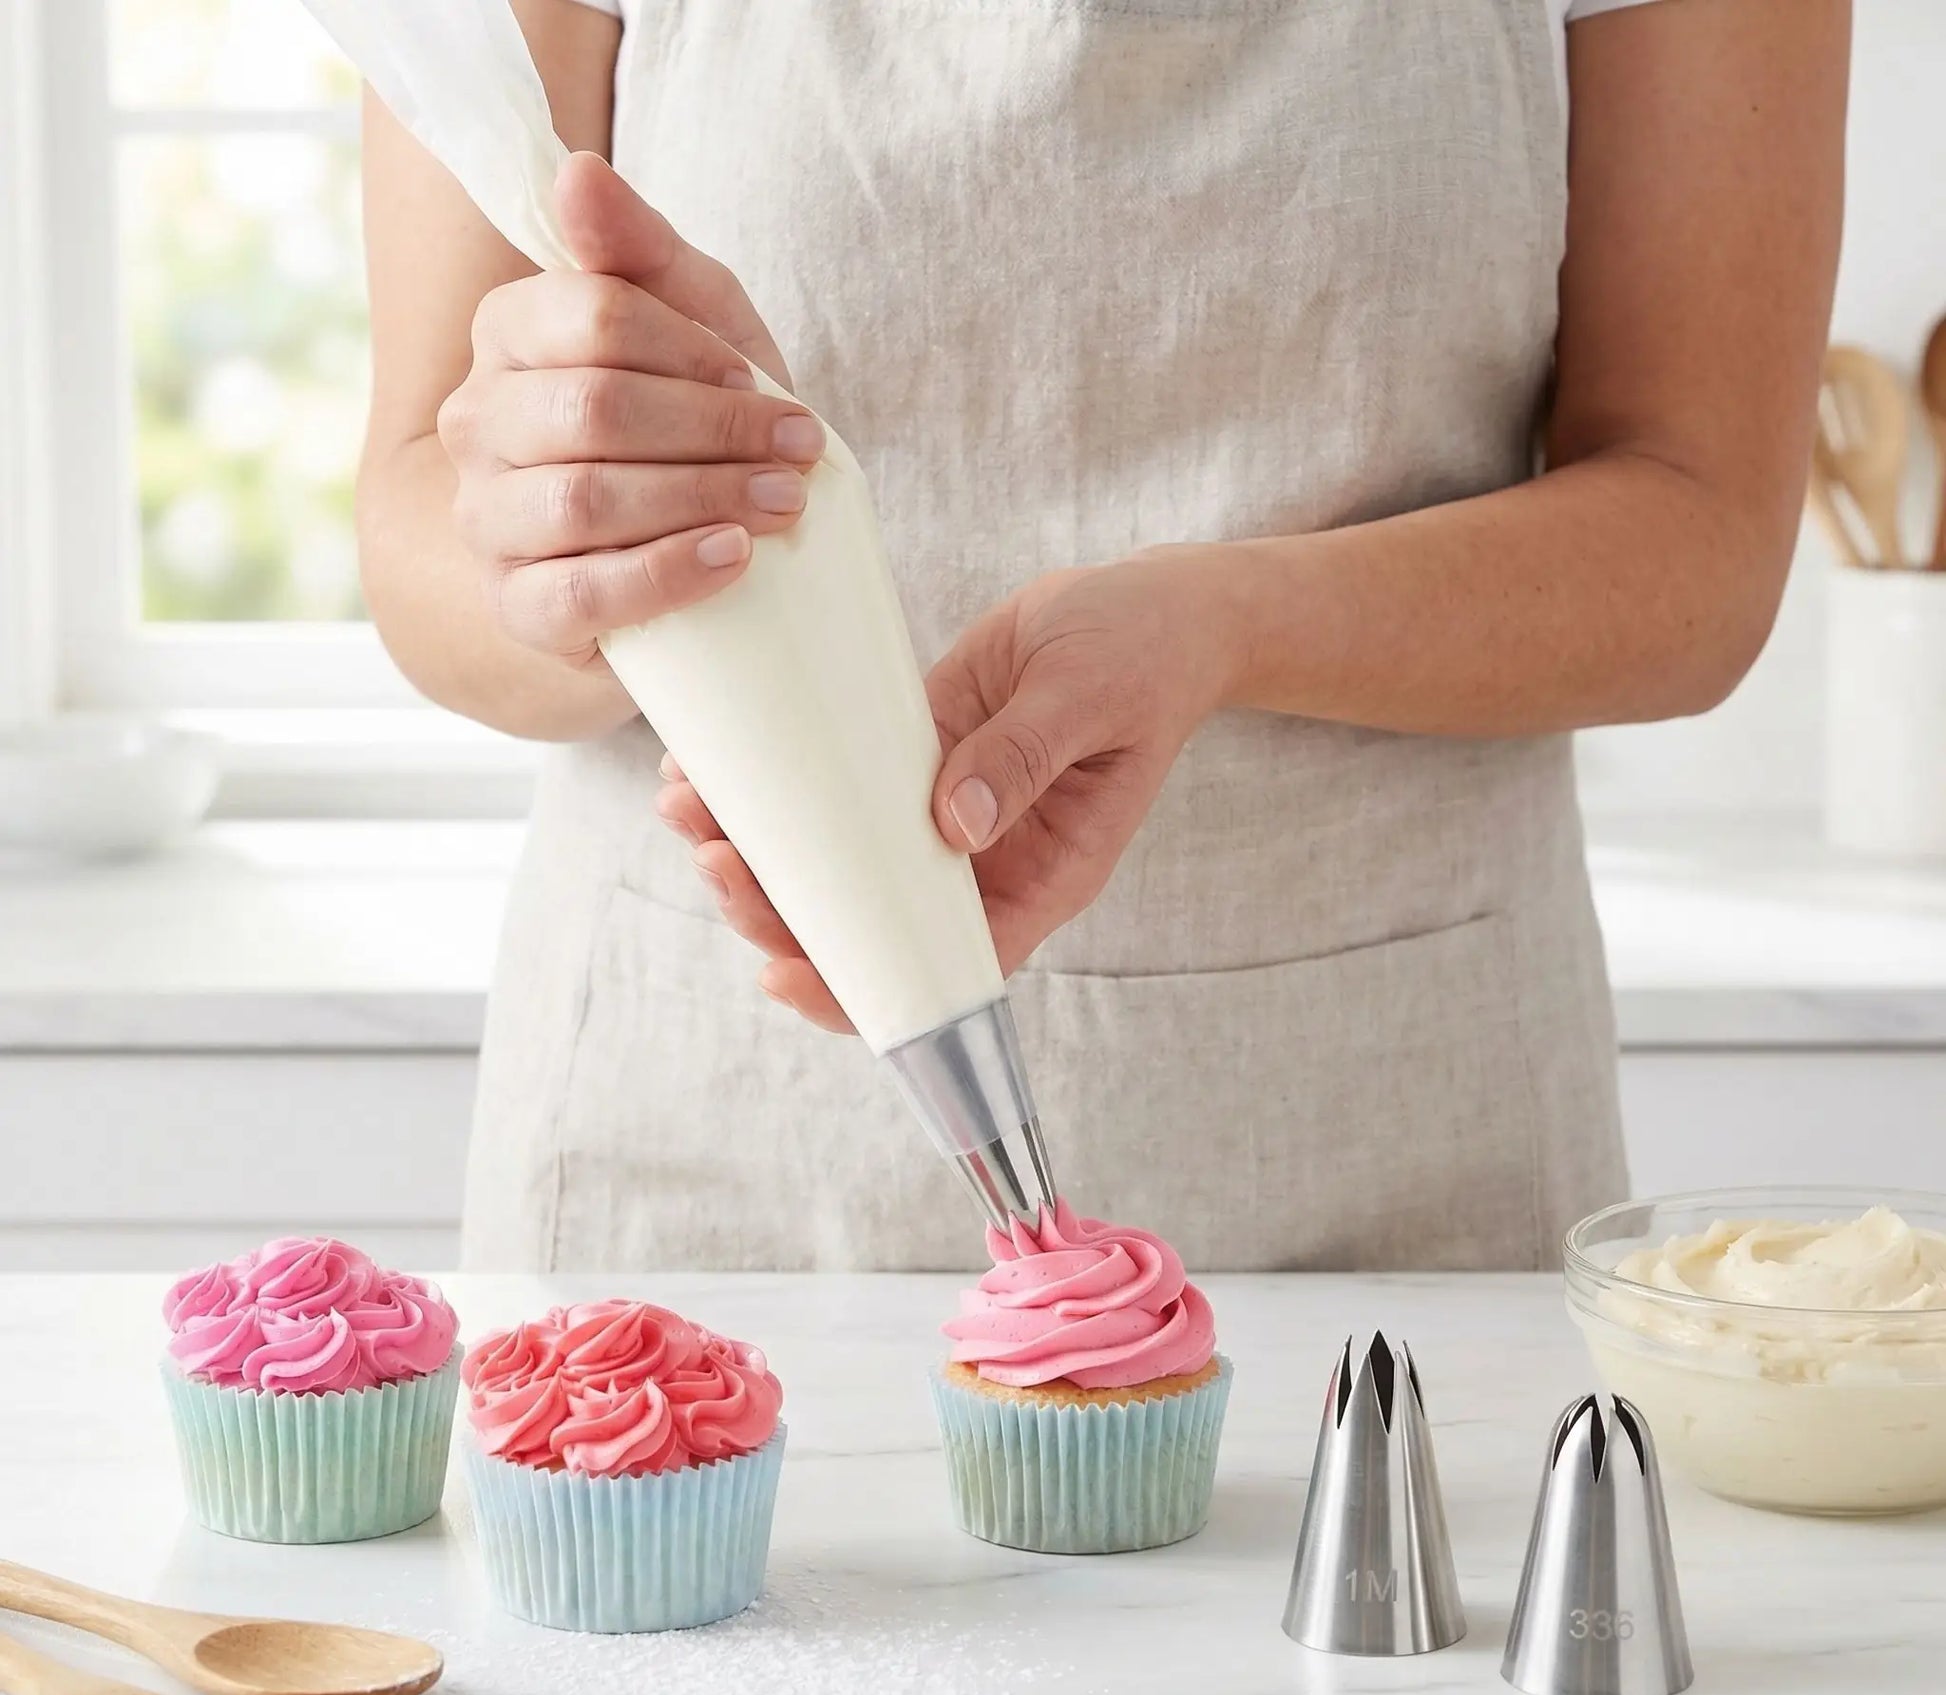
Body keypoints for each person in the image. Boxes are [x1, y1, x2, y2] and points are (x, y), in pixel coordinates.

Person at [356, 0, 1847, 1272]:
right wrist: (561, 533)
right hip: (709, 1162)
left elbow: (1696, 538)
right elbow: (420, 519)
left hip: (1390, 1157)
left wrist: (1220, 622)